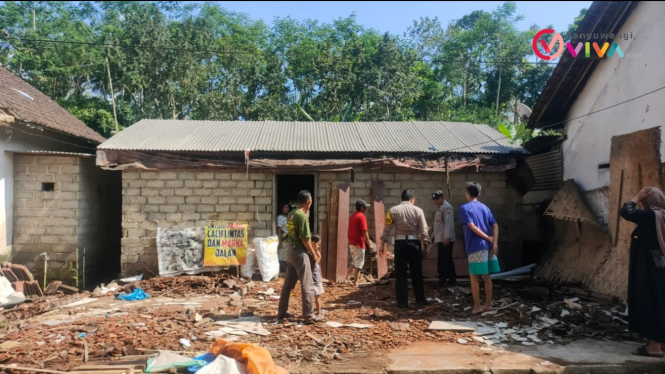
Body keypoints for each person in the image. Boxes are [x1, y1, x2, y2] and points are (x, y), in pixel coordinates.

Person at [620, 187, 665, 357]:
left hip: (650, 269)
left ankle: (654, 347)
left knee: (652, 302)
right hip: (659, 268)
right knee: (660, 302)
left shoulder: (654, 216)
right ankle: (661, 341)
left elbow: (626, 212)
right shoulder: (662, 216)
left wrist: (635, 197)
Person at [379, 190, 431, 308]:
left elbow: (387, 228)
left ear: (401, 199)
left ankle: (402, 301)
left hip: (400, 243)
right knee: (416, 272)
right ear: (412, 199)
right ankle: (420, 299)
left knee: (400, 273)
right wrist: (426, 246)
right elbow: (424, 230)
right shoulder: (419, 211)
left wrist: (382, 243)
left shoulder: (392, 210)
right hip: (414, 243)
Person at [277, 190, 322, 323]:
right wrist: (313, 254)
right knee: (307, 284)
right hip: (300, 254)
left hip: (291, 252)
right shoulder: (301, 216)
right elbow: (305, 239)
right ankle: (308, 314)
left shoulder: (291, 213)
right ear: (309, 201)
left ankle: (281, 312)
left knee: (288, 285)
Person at [459, 182, 500, 314]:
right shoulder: (485, 208)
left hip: (476, 246)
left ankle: (477, 306)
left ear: (467, 193)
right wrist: (494, 242)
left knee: (474, 277)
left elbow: (471, 226)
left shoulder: (465, 208)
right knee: (486, 276)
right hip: (488, 246)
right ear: (479, 194)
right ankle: (488, 304)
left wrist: (488, 238)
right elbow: (495, 225)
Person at [430, 190, 457, 287]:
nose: (436, 202)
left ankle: (447, 279)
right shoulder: (440, 208)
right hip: (440, 238)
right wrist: (433, 236)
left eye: (437, 199)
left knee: (445, 260)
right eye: (434, 200)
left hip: (445, 239)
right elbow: (438, 225)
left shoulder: (447, 208)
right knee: (443, 259)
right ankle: (447, 279)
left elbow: (449, 224)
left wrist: (447, 237)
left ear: (442, 198)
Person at [346, 199, 374, 286]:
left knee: (355, 261)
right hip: (359, 243)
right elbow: (365, 231)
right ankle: (355, 282)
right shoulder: (361, 216)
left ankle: (346, 278)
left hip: (352, 242)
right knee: (359, 264)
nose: (366, 209)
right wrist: (369, 244)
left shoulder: (352, 216)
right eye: (365, 207)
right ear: (361, 208)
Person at [310, 233, 325, 317]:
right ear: (312, 243)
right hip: (314, 279)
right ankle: (317, 312)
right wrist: (319, 257)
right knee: (316, 297)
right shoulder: (312, 253)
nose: (318, 247)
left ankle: (318, 312)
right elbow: (315, 262)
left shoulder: (312, 252)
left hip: (315, 278)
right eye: (318, 244)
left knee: (316, 297)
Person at [277, 203, 291, 273]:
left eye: (287, 207)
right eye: (285, 207)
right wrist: (279, 239)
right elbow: (279, 228)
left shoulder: (290, 217)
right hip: (283, 237)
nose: (286, 209)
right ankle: (284, 271)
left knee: (288, 255)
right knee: (282, 255)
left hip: (290, 238)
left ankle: (287, 271)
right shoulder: (280, 217)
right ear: (282, 209)